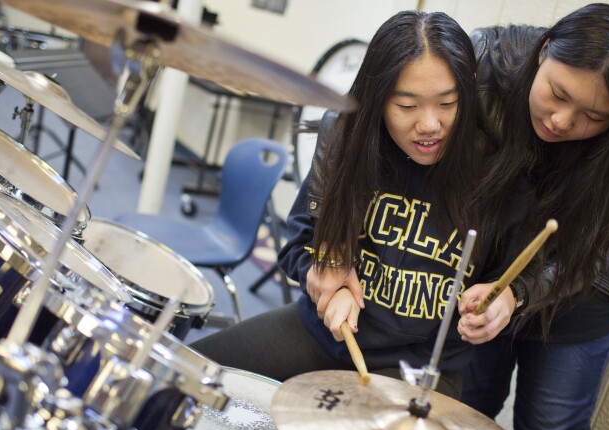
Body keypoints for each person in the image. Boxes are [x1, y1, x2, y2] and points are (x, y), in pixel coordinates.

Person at [192, 10, 517, 402]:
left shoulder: (493, 172)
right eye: (407, 106)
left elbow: (512, 278)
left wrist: (504, 299)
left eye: (447, 103)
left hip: (411, 367)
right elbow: (299, 244)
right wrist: (327, 271)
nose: (430, 124)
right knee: (187, 376)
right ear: (377, 101)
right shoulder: (347, 143)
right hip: (319, 334)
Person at [456, 4, 609, 430]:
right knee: (463, 413)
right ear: (543, 51)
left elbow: (600, 253)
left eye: (594, 117)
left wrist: (518, 294)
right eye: (558, 93)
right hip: (489, 268)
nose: (561, 120)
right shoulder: (486, 60)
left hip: (584, 285)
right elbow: (355, 122)